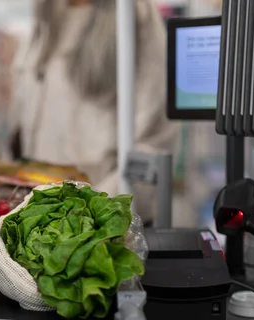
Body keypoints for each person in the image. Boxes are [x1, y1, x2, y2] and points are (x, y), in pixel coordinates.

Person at [10, 0, 178, 223]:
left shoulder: (133, 14)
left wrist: (93, 212)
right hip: (43, 216)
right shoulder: (48, 14)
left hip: (99, 223)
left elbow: (154, 136)